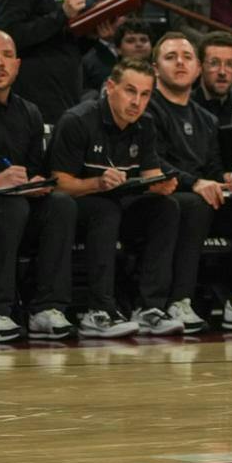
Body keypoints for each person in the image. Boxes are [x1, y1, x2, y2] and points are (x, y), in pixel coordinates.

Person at [145, 33, 232, 332]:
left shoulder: (206, 118)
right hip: (166, 199)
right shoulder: (148, 109)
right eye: (171, 57)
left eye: (187, 57)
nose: (180, 63)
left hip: (203, 199)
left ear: (197, 69)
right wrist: (196, 182)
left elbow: (211, 166)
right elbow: (153, 163)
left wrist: (226, 179)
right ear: (155, 68)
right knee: (195, 203)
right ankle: (179, 301)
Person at [47, 58, 182, 338]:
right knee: (105, 208)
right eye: (130, 91)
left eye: (145, 95)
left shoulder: (145, 124)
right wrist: (96, 182)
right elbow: (58, 184)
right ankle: (99, 310)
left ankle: (149, 309)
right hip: (77, 206)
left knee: (166, 207)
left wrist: (160, 185)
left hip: (121, 205)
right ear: (110, 87)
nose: (137, 102)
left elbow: (151, 173)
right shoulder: (78, 120)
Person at [0, 31, 77, 342]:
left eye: (7, 55)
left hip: (21, 207)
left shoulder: (30, 112)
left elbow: (35, 168)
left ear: (17, 64)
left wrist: (37, 182)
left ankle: (47, 308)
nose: (0, 63)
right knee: (8, 205)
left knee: (61, 204)